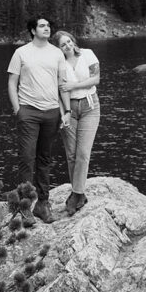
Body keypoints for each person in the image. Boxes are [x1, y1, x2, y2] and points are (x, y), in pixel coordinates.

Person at [7, 17, 71, 224]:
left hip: (51, 112)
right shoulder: (21, 53)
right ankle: (24, 207)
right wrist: (18, 110)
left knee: (44, 159)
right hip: (29, 112)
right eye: (42, 26)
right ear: (33, 31)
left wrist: (66, 110)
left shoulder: (57, 53)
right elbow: (12, 82)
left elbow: (62, 84)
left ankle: (43, 205)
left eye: (48, 26)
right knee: (26, 158)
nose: (47, 28)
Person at [54, 30, 101, 216]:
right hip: (69, 109)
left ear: (73, 41)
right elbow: (59, 91)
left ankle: (76, 193)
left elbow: (95, 79)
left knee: (83, 153)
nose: (67, 46)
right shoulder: (59, 64)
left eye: (69, 41)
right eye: (62, 45)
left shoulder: (87, 54)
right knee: (71, 154)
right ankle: (80, 195)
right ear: (59, 49)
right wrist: (64, 113)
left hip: (90, 106)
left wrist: (73, 86)